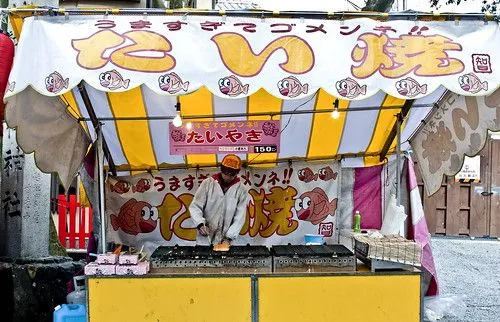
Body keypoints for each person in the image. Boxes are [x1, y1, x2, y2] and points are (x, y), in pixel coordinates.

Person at [189, 154, 250, 247]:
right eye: (226, 173)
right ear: (221, 170)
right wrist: (200, 224)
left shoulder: (241, 189)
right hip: (205, 237)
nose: (228, 177)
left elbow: (240, 216)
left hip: (225, 239)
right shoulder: (208, 183)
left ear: (236, 173)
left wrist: (229, 237)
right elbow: (195, 206)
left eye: (232, 175)